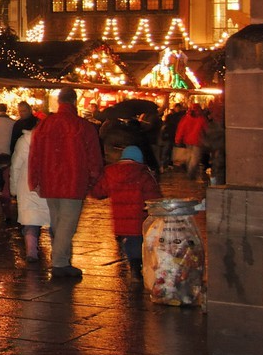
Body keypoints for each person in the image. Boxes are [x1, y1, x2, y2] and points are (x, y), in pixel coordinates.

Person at [27, 87, 103, 281]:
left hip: (49, 180)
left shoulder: (44, 125)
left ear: (59, 102)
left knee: (58, 221)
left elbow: (34, 155)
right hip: (73, 181)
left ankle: (64, 259)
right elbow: (94, 156)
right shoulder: (82, 126)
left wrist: (34, 179)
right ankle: (60, 262)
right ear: (74, 102)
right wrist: (93, 178)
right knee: (67, 224)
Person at [91, 144, 162, 272]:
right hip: (139, 218)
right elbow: (154, 197)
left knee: (129, 242)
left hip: (120, 221)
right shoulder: (143, 174)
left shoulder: (110, 172)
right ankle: (137, 269)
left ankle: (135, 267)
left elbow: (98, 192)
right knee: (138, 242)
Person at [8, 126, 49, 263]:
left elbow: (16, 166)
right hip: (49, 183)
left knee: (31, 220)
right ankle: (59, 254)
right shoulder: (54, 140)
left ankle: (32, 251)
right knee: (54, 219)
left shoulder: (24, 141)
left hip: (27, 184)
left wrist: (13, 188)